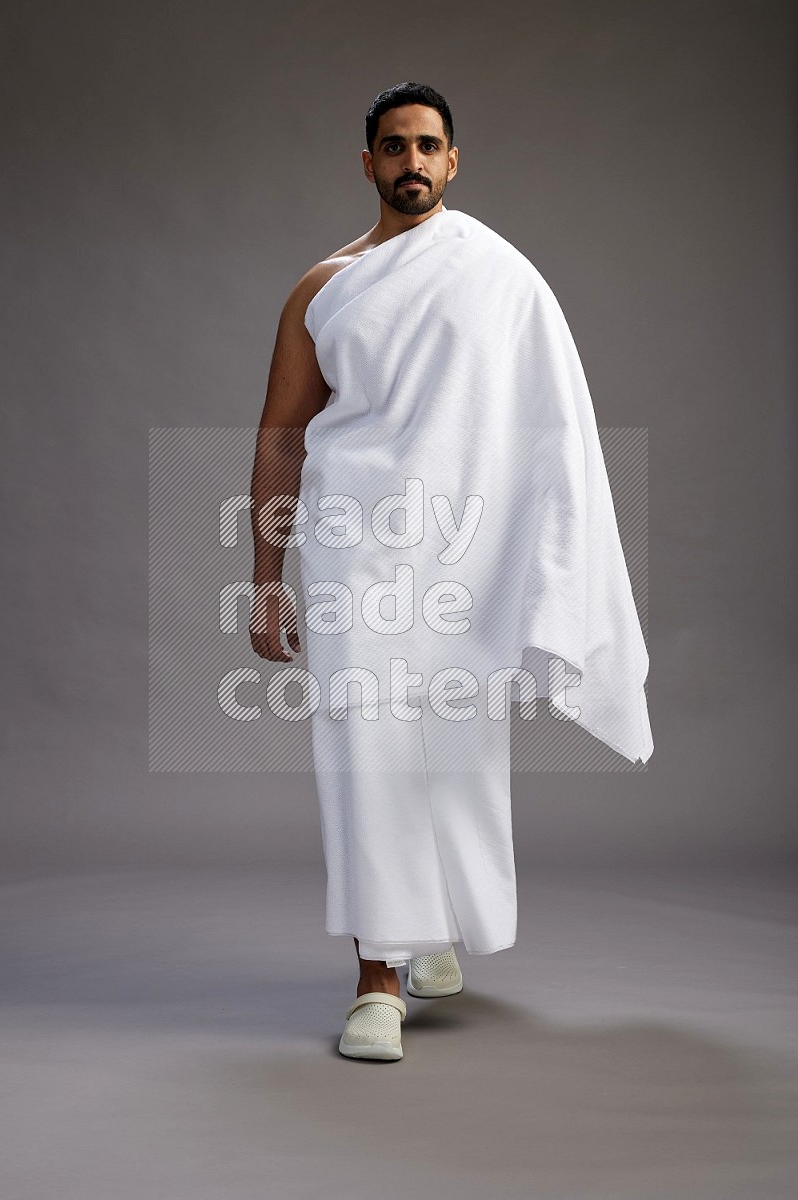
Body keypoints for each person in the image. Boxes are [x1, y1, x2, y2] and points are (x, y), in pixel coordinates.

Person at [249, 82, 653, 1062]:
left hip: (463, 554)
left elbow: (549, 426)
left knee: (455, 752)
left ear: (453, 160)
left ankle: (428, 929)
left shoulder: (499, 276)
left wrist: (536, 552)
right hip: (352, 549)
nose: (412, 162)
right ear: (367, 163)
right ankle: (374, 979)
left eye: (428, 146)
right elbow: (280, 439)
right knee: (365, 754)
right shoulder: (324, 286)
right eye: (393, 147)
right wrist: (266, 577)